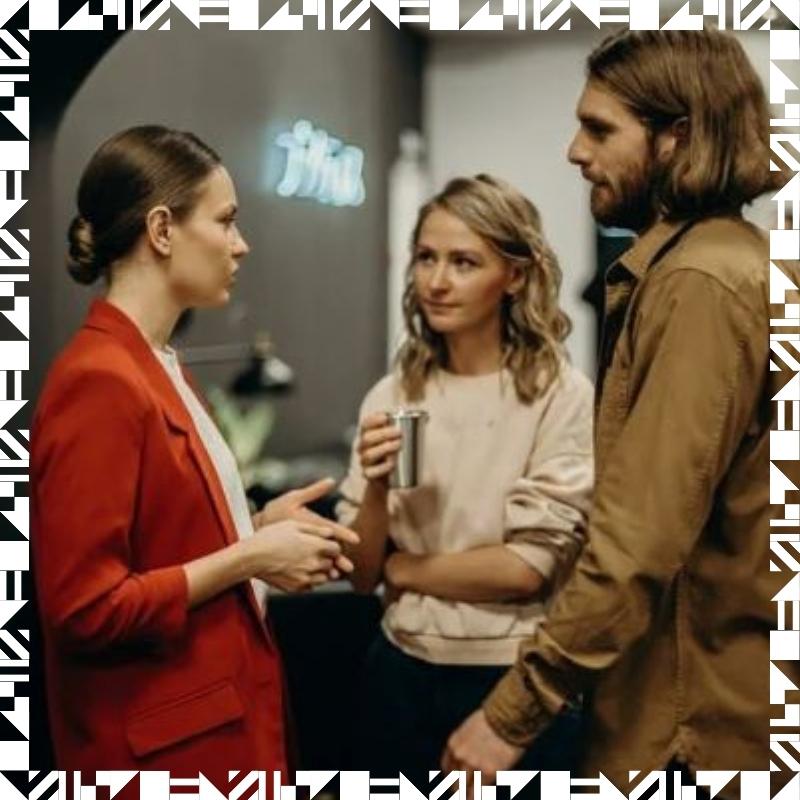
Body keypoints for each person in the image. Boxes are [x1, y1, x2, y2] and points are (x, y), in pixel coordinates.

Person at [443, 28, 792, 796]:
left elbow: (639, 539)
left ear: (678, 138)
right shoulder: (720, 265)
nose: (575, 151)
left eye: (600, 130)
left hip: (688, 733)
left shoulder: (701, 284)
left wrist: (512, 714)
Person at [31, 125, 358, 780]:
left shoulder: (158, 363)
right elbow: (85, 609)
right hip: (164, 758)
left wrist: (254, 529)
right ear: (161, 230)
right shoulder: (99, 379)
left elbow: (164, 545)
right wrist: (250, 556)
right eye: (226, 221)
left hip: (216, 733)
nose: (241, 244)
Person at [336, 174, 594, 790]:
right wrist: (377, 489)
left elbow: (526, 569)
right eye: (427, 257)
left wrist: (406, 569)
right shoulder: (394, 393)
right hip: (399, 668)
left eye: (464, 262)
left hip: (510, 678)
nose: (437, 281)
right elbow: (363, 574)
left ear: (515, 276)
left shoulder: (558, 394)